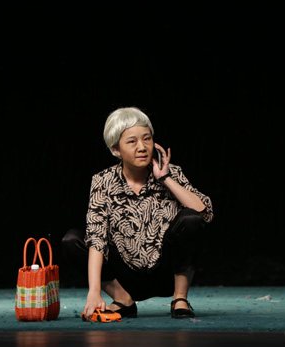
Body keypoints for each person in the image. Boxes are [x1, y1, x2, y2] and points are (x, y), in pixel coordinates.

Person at [62, 107, 213, 320]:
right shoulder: (103, 181)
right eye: (132, 141)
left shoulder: (170, 172)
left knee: (191, 219)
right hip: (125, 277)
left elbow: (204, 214)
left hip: (166, 274)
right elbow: (97, 237)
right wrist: (94, 291)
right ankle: (123, 300)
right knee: (72, 240)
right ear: (116, 149)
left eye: (147, 139)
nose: (142, 147)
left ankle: (180, 299)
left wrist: (166, 179)